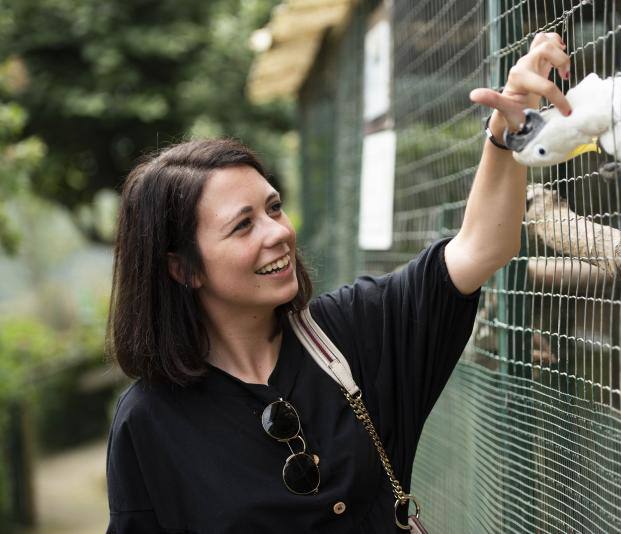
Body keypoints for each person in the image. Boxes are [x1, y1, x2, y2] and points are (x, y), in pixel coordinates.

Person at [105, 33, 571, 533]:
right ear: (183, 268)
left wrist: (505, 132)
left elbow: (482, 247)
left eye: (274, 208)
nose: (279, 233)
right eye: (243, 225)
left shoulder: (352, 330)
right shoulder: (148, 424)